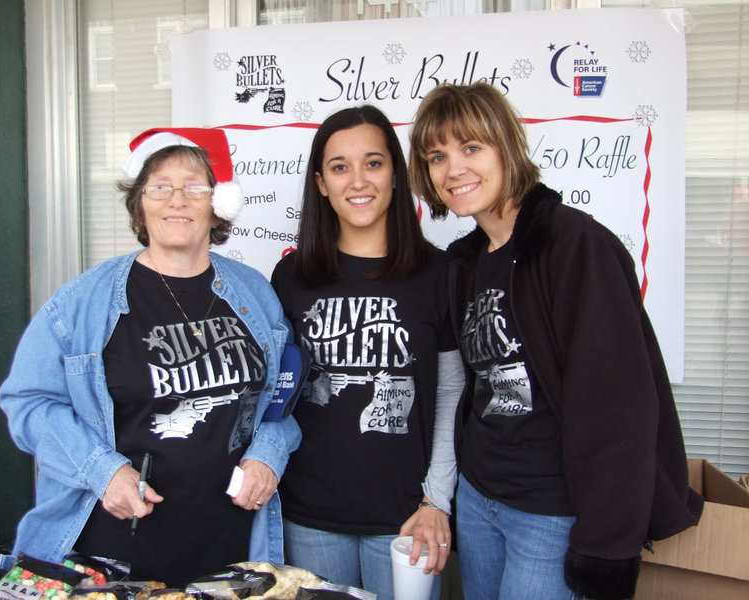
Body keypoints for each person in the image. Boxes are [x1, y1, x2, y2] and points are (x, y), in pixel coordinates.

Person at [408, 82, 704, 600]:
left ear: (506, 146)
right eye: (437, 156)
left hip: (553, 515)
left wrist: (607, 545)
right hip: (480, 501)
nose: (453, 169)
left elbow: (621, 408)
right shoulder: (464, 263)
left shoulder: (576, 247)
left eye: (471, 147)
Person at [0, 127, 301, 587]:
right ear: (140, 203)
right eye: (160, 187)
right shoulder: (82, 303)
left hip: (232, 547)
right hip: (115, 552)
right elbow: (28, 405)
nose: (177, 200)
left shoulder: (254, 292)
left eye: (194, 187)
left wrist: (268, 454)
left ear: (217, 204)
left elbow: (283, 400)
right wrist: (103, 471)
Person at [270, 105, 464, 600]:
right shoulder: (290, 278)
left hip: (407, 519)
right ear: (320, 183)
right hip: (309, 516)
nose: (358, 181)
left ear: (396, 175)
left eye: (373, 163)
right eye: (340, 167)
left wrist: (435, 500)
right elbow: (276, 396)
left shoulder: (439, 275)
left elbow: (450, 395)